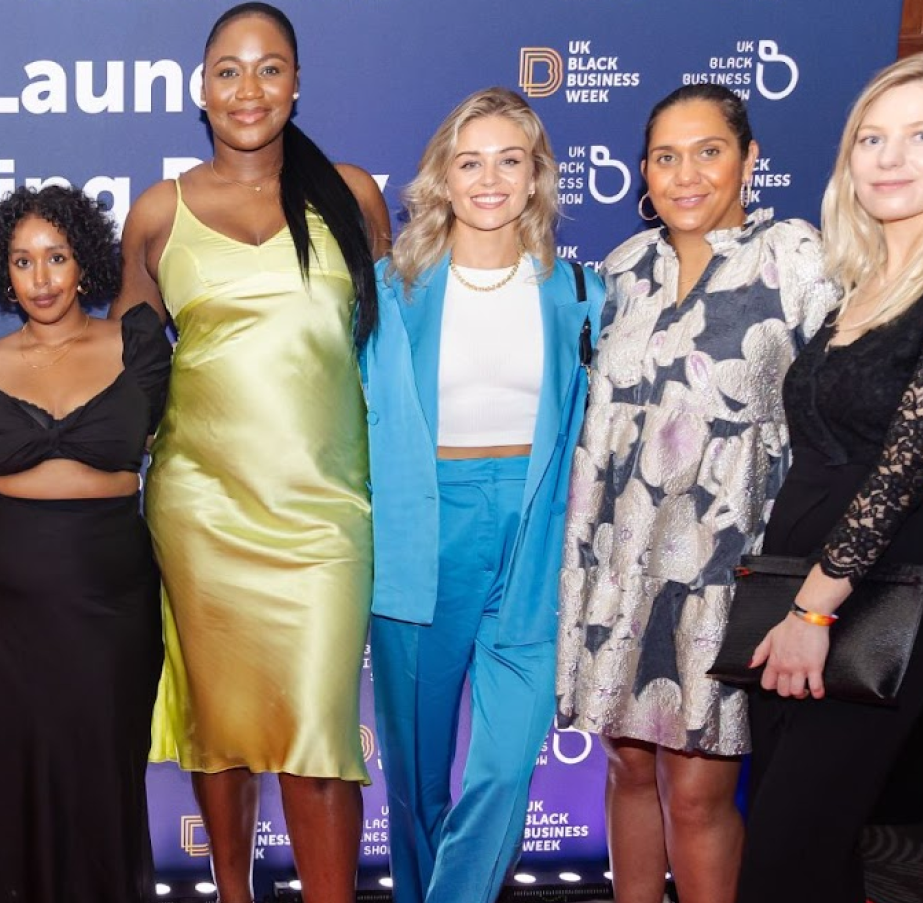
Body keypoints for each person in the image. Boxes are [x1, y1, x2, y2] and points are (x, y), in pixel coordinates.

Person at [556, 83, 923, 903]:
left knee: (696, 790)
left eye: (709, 151)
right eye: (665, 156)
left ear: (749, 160)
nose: (686, 174)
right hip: (618, 563)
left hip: (737, 564)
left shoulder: (799, 257)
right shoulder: (619, 273)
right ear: (642, 173)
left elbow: (885, 375)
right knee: (626, 767)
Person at [737, 46, 923, 902]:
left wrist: (813, 608)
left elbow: (906, 458)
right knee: (810, 845)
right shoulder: (864, 277)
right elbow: (893, 421)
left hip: (878, 577)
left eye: (921, 135)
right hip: (799, 563)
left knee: (785, 853)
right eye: (871, 139)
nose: (889, 157)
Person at [112, 4, 390, 901]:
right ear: (201, 89)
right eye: (227, 70)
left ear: (297, 83)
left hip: (325, 512)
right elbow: (127, 367)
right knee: (219, 726)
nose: (248, 88)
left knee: (318, 737)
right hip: (201, 509)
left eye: (269, 68)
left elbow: (392, 354)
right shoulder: (159, 212)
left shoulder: (349, 194)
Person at [361, 87, 601, 903]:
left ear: (535, 178)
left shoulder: (580, 294)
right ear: (443, 178)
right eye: (470, 162)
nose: (490, 179)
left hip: (534, 540)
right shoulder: (389, 291)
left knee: (501, 772)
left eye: (509, 160)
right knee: (418, 782)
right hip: (421, 536)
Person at [0, 185, 168, 903]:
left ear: (83, 264)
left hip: (108, 593)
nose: (39, 278)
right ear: (0, 272)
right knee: (3, 771)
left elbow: (178, 446)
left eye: (55, 257)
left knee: (99, 766)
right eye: (21, 261)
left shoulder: (135, 342)